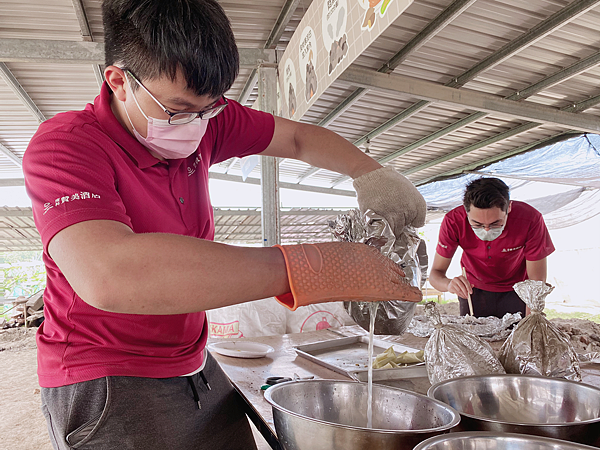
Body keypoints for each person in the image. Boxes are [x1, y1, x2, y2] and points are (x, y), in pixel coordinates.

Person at [22, 1, 426, 449]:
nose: (197, 124)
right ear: (119, 81)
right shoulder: (66, 146)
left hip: (194, 362)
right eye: (179, 109)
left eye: (210, 108)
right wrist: (312, 266)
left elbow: (296, 137)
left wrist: (372, 176)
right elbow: (111, 274)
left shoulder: (204, 121)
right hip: (109, 375)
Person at [429, 177, 554, 319]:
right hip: (473, 292)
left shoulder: (530, 219)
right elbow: (435, 275)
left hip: (518, 291)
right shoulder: (453, 221)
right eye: (477, 224)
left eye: (496, 223)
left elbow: (536, 282)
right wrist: (449, 284)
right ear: (466, 212)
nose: (486, 230)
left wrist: (533, 319)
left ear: (509, 208)